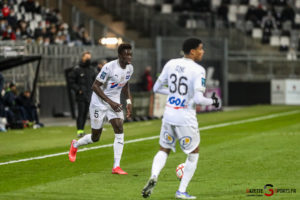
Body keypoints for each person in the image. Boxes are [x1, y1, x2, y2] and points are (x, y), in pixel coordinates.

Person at [141, 38, 219, 199]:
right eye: (201, 48)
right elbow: (198, 99)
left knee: (164, 149)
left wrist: (174, 94)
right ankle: (181, 191)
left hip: (169, 114)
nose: (203, 51)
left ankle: (154, 175)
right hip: (185, 117)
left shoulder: (171, 63)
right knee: (194, 153)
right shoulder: (198, 70)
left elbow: (156, 88)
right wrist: (213, 101)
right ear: (193, 51)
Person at [68, 44, 134, 175]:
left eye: (130, 54)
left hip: (114, 103)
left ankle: (116, 166)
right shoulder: (109, 67)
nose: (129, 57)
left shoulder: (130, 68)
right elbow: (95, 86)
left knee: (119, 128)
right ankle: (75, 145)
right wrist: (110, 102)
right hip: (99, 103)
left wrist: (128, 101)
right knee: (95, 137)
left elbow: (125, 85)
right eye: (127, 54)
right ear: (120, 55)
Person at [69, 51, 96, 138]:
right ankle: (79, 131)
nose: (88, 59)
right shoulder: (77, 69)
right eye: (87, 57)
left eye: (89, 57)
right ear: (82, 58)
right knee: (81, 113)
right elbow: (71, 82)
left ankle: (82, 130)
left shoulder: (92, 70)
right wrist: (78, 89)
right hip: (81, 96)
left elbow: (95, 81)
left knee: (85, 114)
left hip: (89, 95)